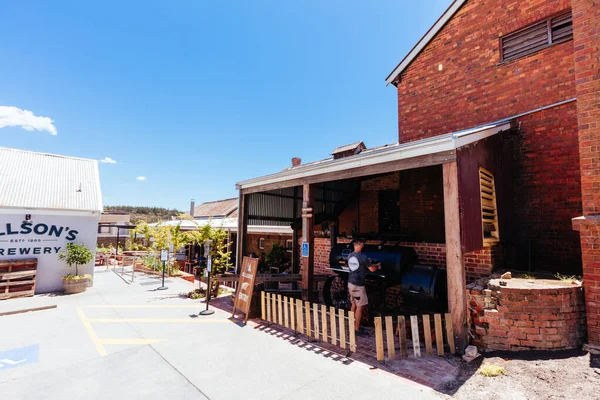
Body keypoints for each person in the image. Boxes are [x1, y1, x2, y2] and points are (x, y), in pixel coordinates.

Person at [347, 238, 380, 337]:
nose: (363, 246)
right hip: (358, 285)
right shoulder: (363, 257)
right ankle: (356, 329)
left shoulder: (350, 255)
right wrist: (378, 266)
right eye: (362, 245)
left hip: (350, 283)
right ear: (360, 245)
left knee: (353, 304)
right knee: (360, 307)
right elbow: (372, 269)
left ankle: (352, 325)